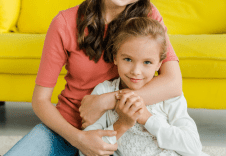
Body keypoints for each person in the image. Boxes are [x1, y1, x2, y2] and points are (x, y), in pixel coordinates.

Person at [4, 0, 182, 156]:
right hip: (70, 128)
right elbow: (40, 100)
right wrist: (79, 139)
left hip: (127, 131)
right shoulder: (64, 23)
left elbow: (173, 83)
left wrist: (105, 101)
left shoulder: (149, 19)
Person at [79, 17, 209, 156]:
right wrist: (122, 124)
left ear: (159, 64)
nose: (136, 71)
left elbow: (193, 147)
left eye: (147, 62)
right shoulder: (104, 91)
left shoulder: (167, 94)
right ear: (115, 57)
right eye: (128, 59)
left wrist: (147, 118)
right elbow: (86, 150)